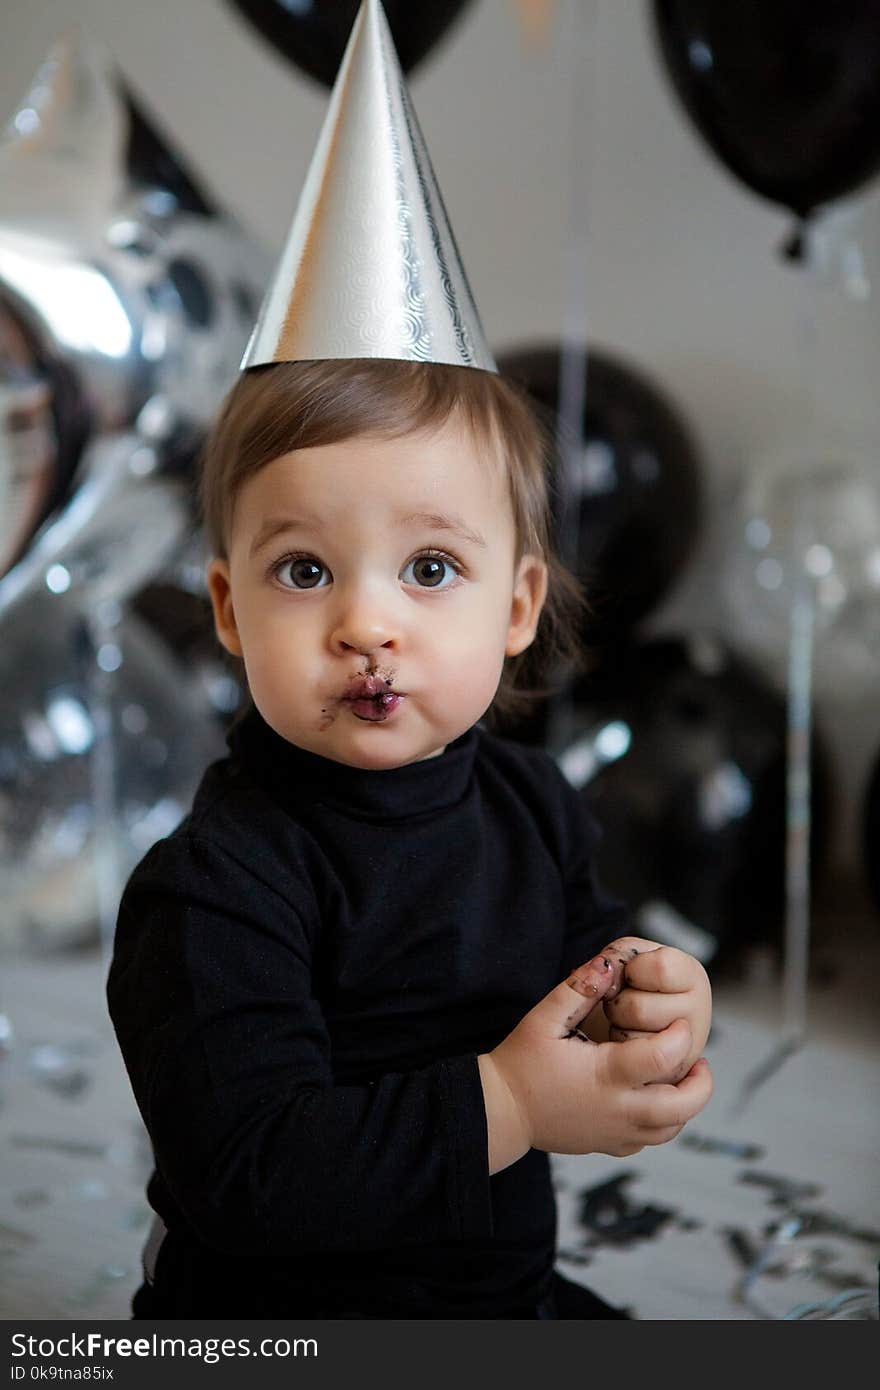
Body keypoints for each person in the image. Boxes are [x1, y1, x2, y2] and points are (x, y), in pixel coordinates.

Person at [105, 0, 713, 1321]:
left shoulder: (529, 809)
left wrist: (652, 992)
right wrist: (507, 1102)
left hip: (492, 1289)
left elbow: (579, 953)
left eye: (428, 568)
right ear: (224, 605)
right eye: (304, 569)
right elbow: (251, 1172)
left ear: (517, 602)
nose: (366, 622)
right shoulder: (211, 889)